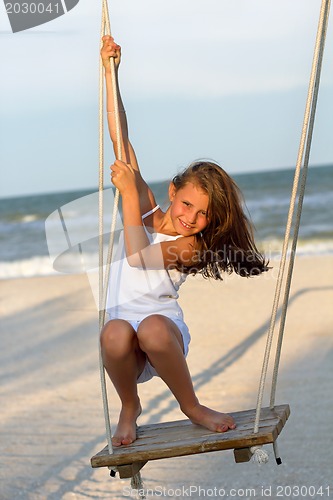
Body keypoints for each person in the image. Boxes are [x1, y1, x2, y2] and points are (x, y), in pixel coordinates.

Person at [100, 35, 268, 447]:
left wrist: (125, 193)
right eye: (187, 204)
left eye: (202, 213)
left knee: (152, 328)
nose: (190, 218)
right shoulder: (148, 208)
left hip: (163, 335)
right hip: (125, 336)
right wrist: (111, 74)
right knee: (113, 333)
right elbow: (121, 138)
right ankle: (129, 405)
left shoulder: (192, 248)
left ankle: (191, 405)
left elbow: (139, 257)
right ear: (173, 191)